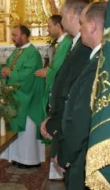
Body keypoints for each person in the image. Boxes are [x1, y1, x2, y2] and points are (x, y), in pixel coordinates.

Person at [56, 2, 106, 189]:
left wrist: (66, 154)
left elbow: (82, 115)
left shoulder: (98, 63)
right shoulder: (99, 58)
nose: (80, 27)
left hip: (83, 154)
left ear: (92, 26)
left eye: (83, 23)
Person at [40, 0, 91, 175]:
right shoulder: (75, 44)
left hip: (71, 129)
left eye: (61, 15)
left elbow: (72, 93)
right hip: (63, 122)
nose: (60, 20)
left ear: (70, 14)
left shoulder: (85, 47)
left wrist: (56, 122)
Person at [0, 25, 45, 168]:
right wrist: (5, 72)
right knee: (16, 128)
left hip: (28, 97)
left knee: (28, 128)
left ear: (24, 36)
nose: (12, 38)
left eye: (15, 35)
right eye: (12, 34)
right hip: (16, 96)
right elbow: (9, 66)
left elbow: (29, 75)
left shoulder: (32, 53)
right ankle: (17, 157)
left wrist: (11, 74)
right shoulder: (16, 52)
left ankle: (29, 160)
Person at [35, 14, 72, 179]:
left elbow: (59, 69)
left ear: (59, 26)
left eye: (49, 26)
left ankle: (58, 168)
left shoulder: (66, 44)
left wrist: (47, 73)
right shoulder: (62, 43)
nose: (48, 29)